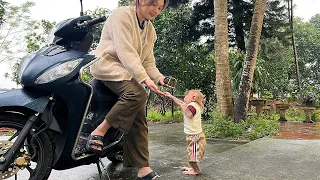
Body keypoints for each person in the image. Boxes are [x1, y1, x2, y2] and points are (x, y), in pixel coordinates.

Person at [88, 0, 170, 179]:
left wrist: (158, 78)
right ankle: (99, 131)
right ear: (140, 1)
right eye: (153, 4)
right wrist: (144, 79)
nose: (156, 10)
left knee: (139, 113)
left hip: (127, 71)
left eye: (160, 8)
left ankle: (143, 168)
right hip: (107, 66)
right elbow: (126, 52)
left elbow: (147, 61)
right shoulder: (122, 15)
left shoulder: (150, 31)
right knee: (137, 93)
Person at [164, 90, 206, 175]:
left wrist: (183, 107)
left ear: (194, 98)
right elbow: (181, 103)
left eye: (187, 95)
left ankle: (196, 170)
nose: (185, 96)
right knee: (192, 155)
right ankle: (194, 168)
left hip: (195, 137)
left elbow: (189, 114)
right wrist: (171, 96)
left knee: (192, 157)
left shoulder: (193, 106)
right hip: (193, 136)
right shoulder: (192, 105)